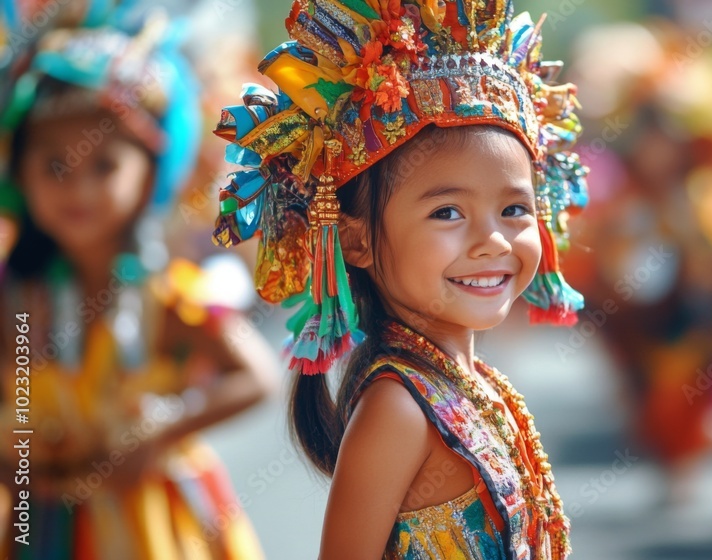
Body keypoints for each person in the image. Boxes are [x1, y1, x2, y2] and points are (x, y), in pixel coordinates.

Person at [211, 0, 588, 557]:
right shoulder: (397, 409)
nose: (495, 241)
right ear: (355, 239)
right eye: (447, 213)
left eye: (514, 209)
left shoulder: (471, 385)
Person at [0, 4, 275, 557]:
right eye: (55, 167)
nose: (77, 189)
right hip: (41, 522)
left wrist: (160, 433)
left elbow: (256, 379)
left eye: (104, 166)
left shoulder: (170, 294)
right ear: (19, 175)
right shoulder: (16, 301)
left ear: (151, 172)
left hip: (159, 527)